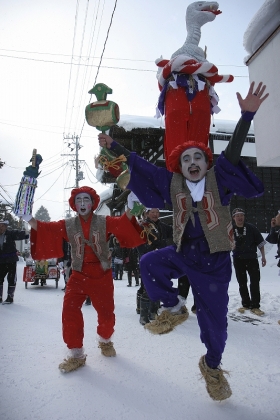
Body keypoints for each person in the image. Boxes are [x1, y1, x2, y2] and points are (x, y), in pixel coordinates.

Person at [98, 82, 269, 401]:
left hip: (216, 262)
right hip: (185, 254)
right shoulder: (171, 183)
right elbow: (140, 165)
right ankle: (174, 306)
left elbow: (231, 152)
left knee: (215, 329)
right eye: (186, 158)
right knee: (149, 264)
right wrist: (113, 145)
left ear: (206, 163)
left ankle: (213, 366)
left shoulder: (220, 180)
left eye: (198, 158)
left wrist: (246, 116)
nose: (192, 162)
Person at [22, 186, 145, 373]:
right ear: (74, 204)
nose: (82, 204)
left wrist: (131, 207)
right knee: (69, 309)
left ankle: (105, 340)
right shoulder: (68, 224)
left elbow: (123, 222)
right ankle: (76, 353)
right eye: (78, 200)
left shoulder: (104, 221)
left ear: (93, 203)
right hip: (78, 274)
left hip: (102, 275)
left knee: (106, 315)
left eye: (85, 200)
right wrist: (28, 218)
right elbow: (46, 228)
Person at [232, 208, 266, 316]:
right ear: (234, 218)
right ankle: (245, 304)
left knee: (255, 281)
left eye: (241, 215)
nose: (240, 217)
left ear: (244, 216)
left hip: (251, 258)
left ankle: (255, 305)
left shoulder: (251, 228)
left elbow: (260, 243)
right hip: (238, 259)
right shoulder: (230, 230)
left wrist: (263, 257)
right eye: (237, 216)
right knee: (242, 282)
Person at [0, 219, 29, 304]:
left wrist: (27, 232)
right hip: (1, 261)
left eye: (2, 226)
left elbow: (21, 234)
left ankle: (10, 297)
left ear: (6, 227)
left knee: (11, 278)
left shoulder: (10, 234)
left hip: (11, 260)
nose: (0, 228)